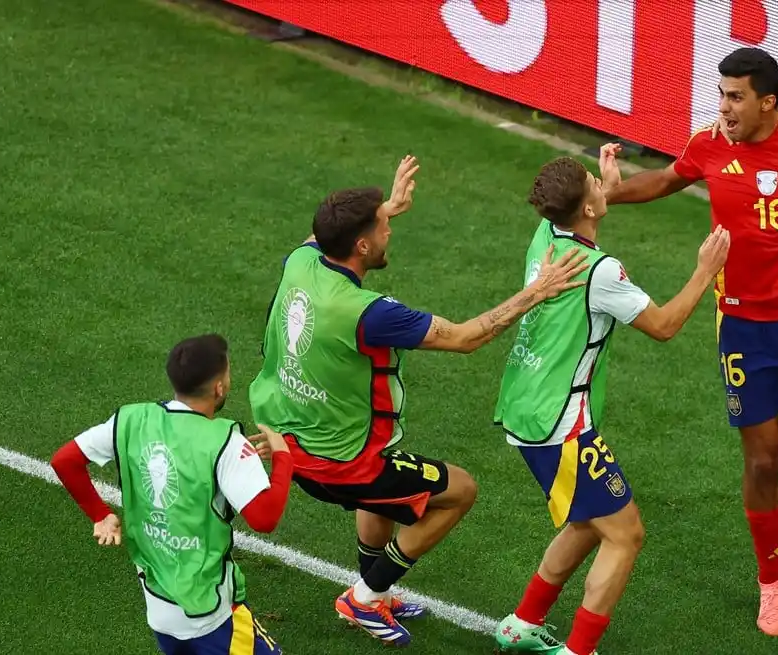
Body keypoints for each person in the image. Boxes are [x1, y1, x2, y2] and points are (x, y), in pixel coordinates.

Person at [247, 157, 589, 647]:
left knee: (386, 476)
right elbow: (468, 337)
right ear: (361, 245)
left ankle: (374, 595)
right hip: (340, 463)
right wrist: (537, 291)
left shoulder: (301, 261)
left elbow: (322, 235)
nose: (390, 231)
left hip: (285, 442)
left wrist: (390, 205)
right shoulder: (369, 313)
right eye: (385, 227)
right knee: (460, 490)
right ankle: (365, 594)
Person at [605, 47, 778, 636]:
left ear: (768, 102)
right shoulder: (709, 143)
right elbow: (667, 178)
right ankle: (772, 587)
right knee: (762, 460)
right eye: (721, 95)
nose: (723, 108)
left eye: (735, 97)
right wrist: (608, 194)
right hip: (744, 328)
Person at [491, 150, 731, 655]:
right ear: (589, 210)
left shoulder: (546, 236)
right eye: (592, 183)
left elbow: (583, 224)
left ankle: (522, 623)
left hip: (525, 403)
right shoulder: (601, 274)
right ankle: (580, 651)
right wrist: (705, 271)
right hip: (560, 422)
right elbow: (664, 326)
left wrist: (602, 196)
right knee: (625, 534)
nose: (601, 182)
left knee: (586, 521)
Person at [51, 334, 294, 655]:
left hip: (160, 611)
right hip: (210, 617)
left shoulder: (130, 420)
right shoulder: (226, 443)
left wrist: (101, 514)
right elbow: (264, 518)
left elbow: (65, 460)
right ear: (220, 387)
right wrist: (283, 457)